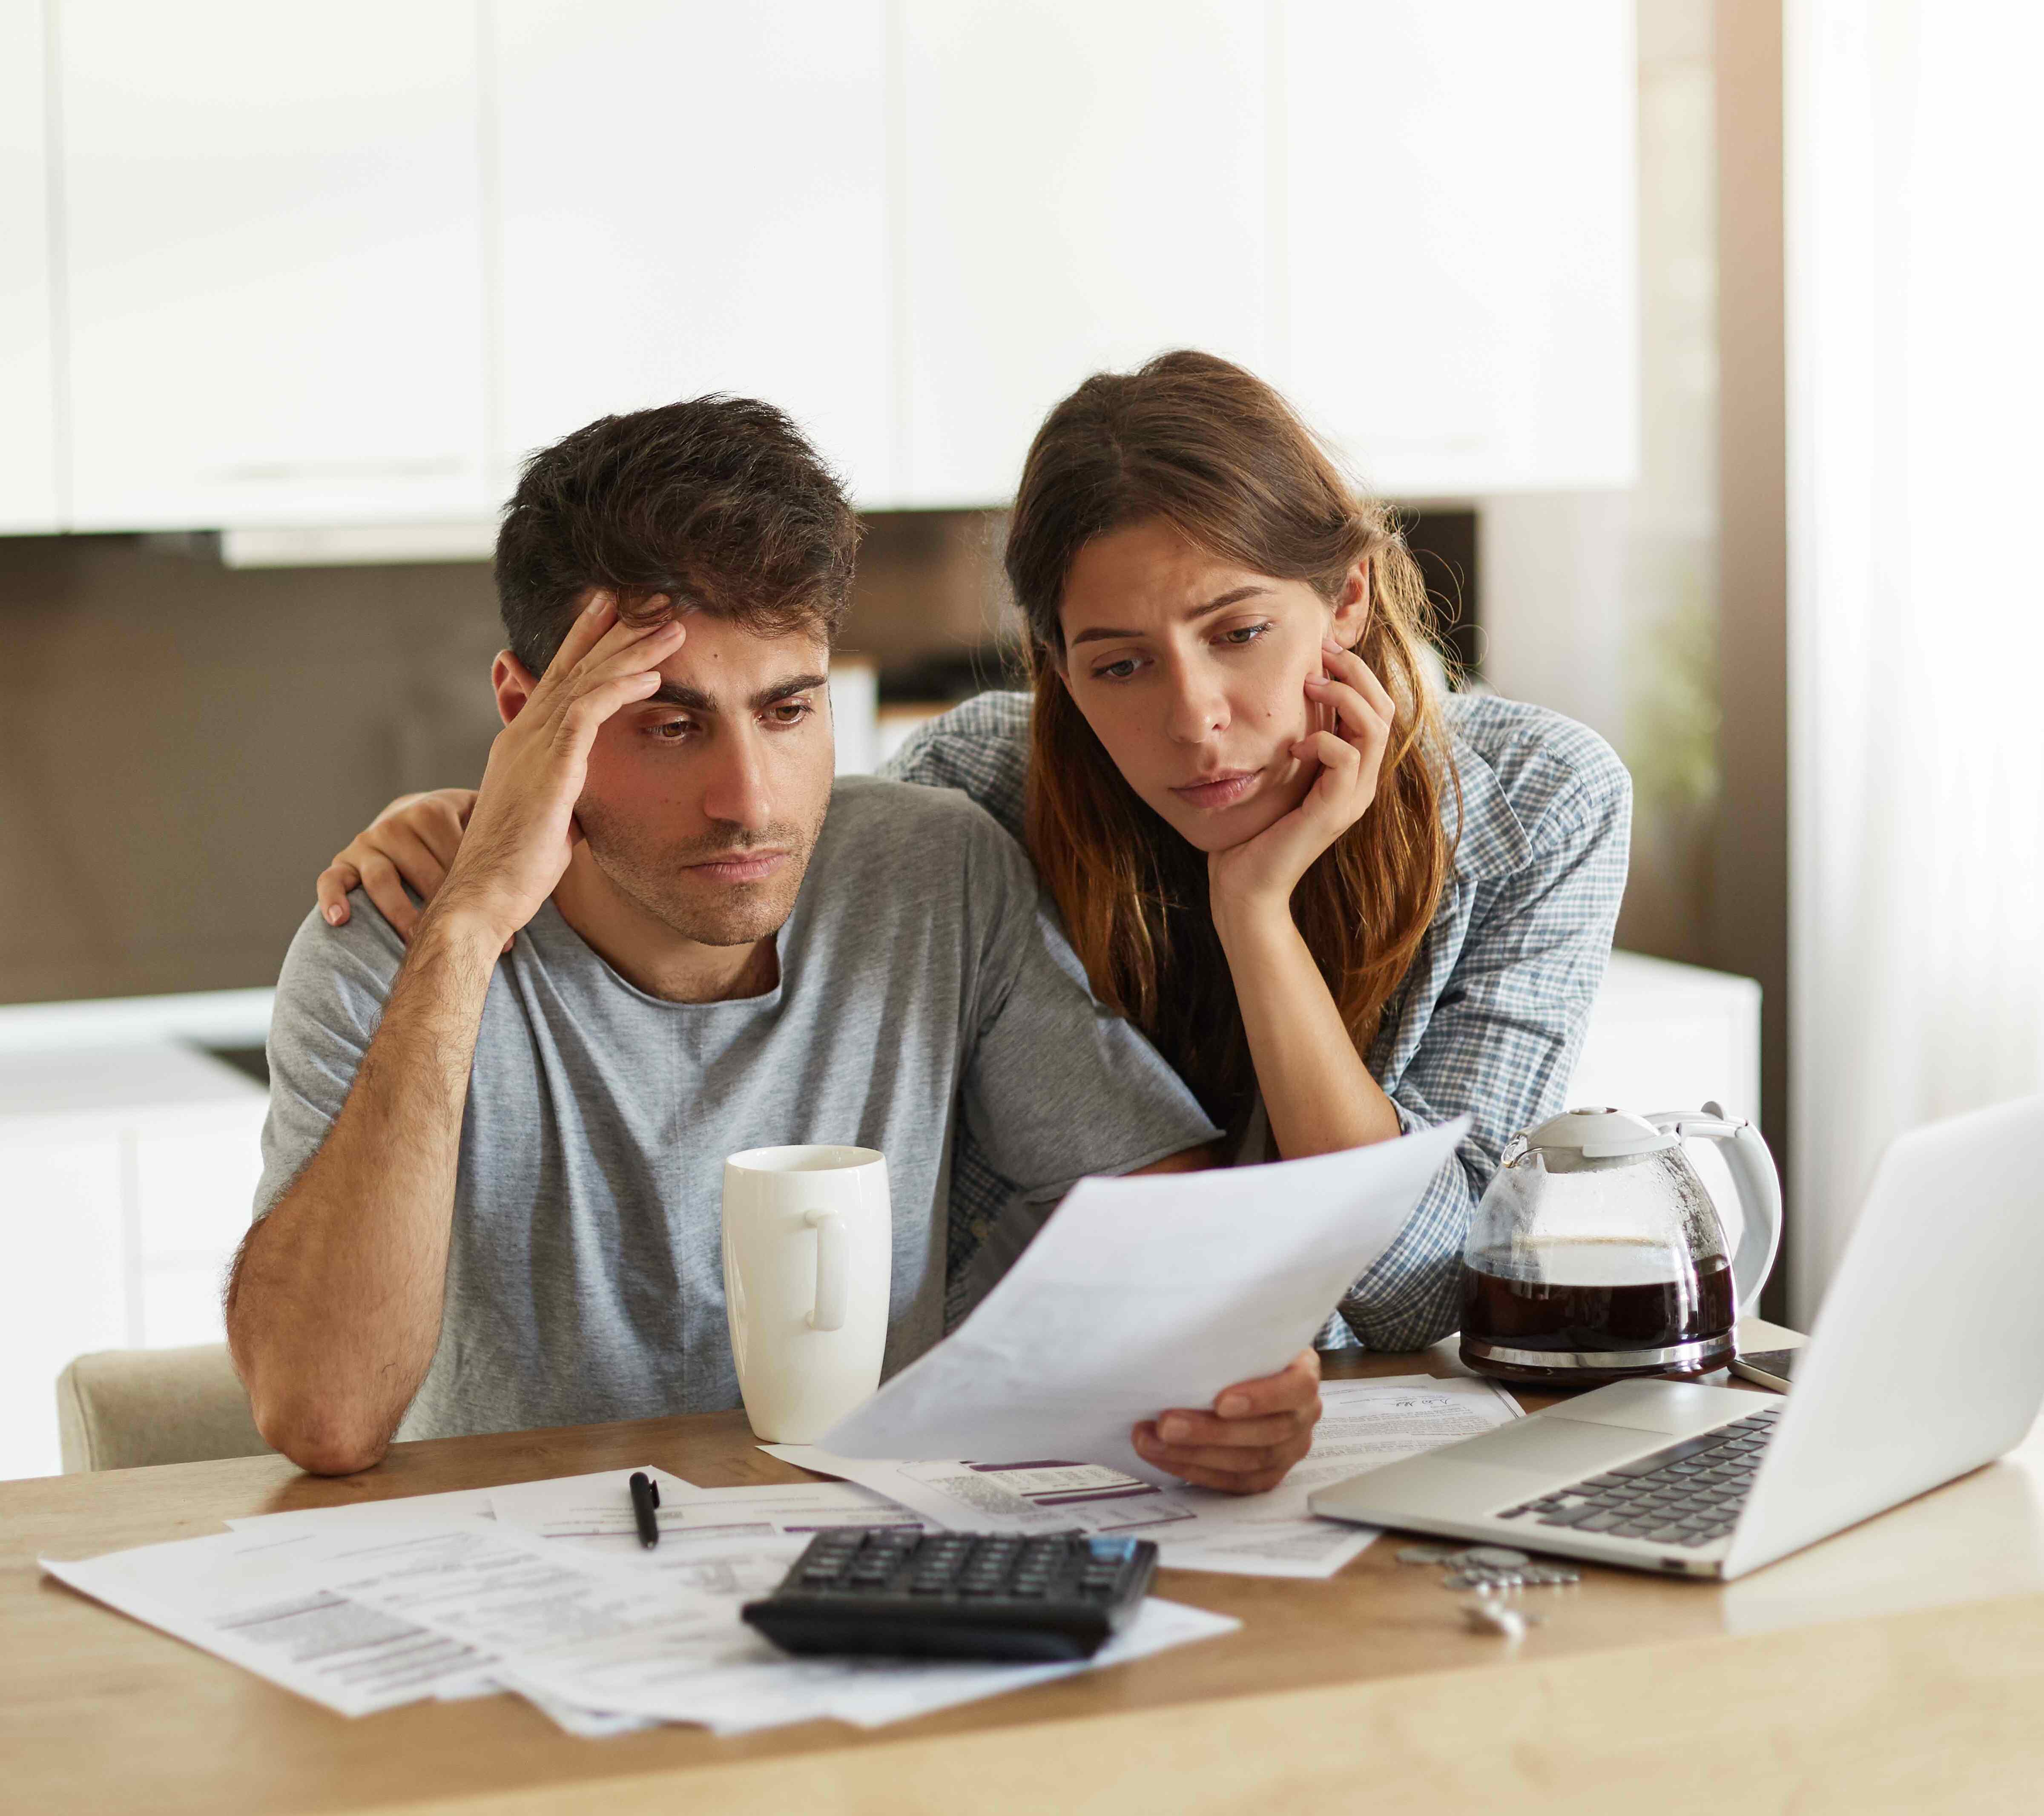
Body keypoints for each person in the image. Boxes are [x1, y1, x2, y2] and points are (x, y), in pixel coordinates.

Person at [322, 353, 1631, 1469]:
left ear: (1344, 595)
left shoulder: (1540, 807)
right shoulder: (983, 794)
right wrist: (493, 837)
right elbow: (745, 853)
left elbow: (1405, 1289)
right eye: (1117, 664)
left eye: (1239, 633)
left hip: (1308, 1435)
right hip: (1024, 1448)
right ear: (1056, 666)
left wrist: (1257, 913)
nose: (1193, 720)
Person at [230, 394, 1323, 1487]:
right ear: (526, 712)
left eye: (790, 711)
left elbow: (1170, 1226)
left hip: (869, 1563)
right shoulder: (393, 940)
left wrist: (1232, 1373)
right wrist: (468, 929)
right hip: (520, 1580)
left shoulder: (933, 876)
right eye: (670, 723)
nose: (748, 801)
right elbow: (323, 1417)